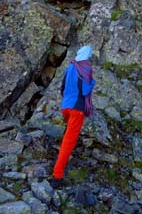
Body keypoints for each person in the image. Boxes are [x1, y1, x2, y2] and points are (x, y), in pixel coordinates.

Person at [50, 45, 96, 186]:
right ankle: (57, 176)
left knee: (68, 136)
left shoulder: (70, 66)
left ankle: (58, 160)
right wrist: (92, 82)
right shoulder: (86, 67)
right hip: (77, 108)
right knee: (68, 142)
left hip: (66, 106)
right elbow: (85, 90)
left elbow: (62, 88)